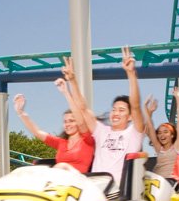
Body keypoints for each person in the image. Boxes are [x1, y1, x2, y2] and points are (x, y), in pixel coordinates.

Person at [61, 47, 145, 184]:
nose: (115, 113)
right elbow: (83, 108)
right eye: (114, 109)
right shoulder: (101, 131)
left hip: (117, 189)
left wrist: (131, 73)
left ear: (130, 117)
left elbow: (135, 106)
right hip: (95, 186)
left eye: (121, 110)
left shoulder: (134, 133)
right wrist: (72, 80)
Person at [13, 79, 94, 174]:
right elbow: (37, 132)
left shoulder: (87, 140)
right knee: (27, 170)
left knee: (62, 166)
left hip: (79, 182)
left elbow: (81, 120)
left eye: (71, 121)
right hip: (59, 183)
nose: (67, 124)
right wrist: (21, 112)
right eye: (65, 122)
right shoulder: (61, 143)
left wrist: (66, 92)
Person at [143, 87, 179, 184]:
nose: (161, 135)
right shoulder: (159, 148)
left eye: (165, 132)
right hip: (156, 182)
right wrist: (147, 111)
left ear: (172, 135)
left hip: (172, 182)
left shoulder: (177, 147)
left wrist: (178, 99)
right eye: (159, 133)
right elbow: (150, 127)